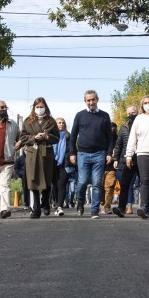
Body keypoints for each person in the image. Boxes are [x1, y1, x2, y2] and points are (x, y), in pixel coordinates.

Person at [68, 90, 114, 219]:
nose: (91, 102)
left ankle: (94, 210)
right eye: (88, 100)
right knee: (82, 182)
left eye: (93, 99)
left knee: (97, 183)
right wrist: (72, 153)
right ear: (85, 101)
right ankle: (80, 202)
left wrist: (109, 153)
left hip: (99, 154)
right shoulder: (80, 115)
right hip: (82, 154)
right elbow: (73, 136)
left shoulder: (104, 116)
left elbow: (109, 137)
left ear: (97, 100)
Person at [19, 97, 60, 219]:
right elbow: (22, 137)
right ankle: (36, 209)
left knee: (47, 180)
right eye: (37, 107)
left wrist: (47, 137)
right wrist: (34, 138)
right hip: (33, 154)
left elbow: (57, 138)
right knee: (33, 181)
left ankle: (45, 203)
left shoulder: (51, 121)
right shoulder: (28, 121)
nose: (39, 109)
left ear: (45, 107)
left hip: (47, 153)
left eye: (41, 107)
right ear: (34, 108)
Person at [110, 105, 139, 218]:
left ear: (138, 112)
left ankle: (147, 207)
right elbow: (118, 144)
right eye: (129, 113)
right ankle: (122, 207)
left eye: (133, 112)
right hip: (126, 158)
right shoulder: (123, 127)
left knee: (145, 183)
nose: (131, 115)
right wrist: (116, 159)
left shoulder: (142, 123)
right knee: (125, 183)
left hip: (141, 157)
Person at [51, 117, 72, 216]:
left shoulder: (68, 136)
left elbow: (72, 149)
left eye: (63, 123)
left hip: (65, 164)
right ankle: (56, 202)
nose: (61, 124)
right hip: (53, 163)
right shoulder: (51, 136)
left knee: (62, 184)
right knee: (55, 185)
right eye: (59, 123)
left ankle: (60, 206)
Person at [101, 122, 119, 214]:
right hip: (100, 166)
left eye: (114, 129)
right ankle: (102, 204)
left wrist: (115, 157)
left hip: (112, 167)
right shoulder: (101, 138)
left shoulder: (118, 139)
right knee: (100, 186)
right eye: (111, 129)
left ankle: (107, 206)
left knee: (109, 187)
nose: (113, 131)